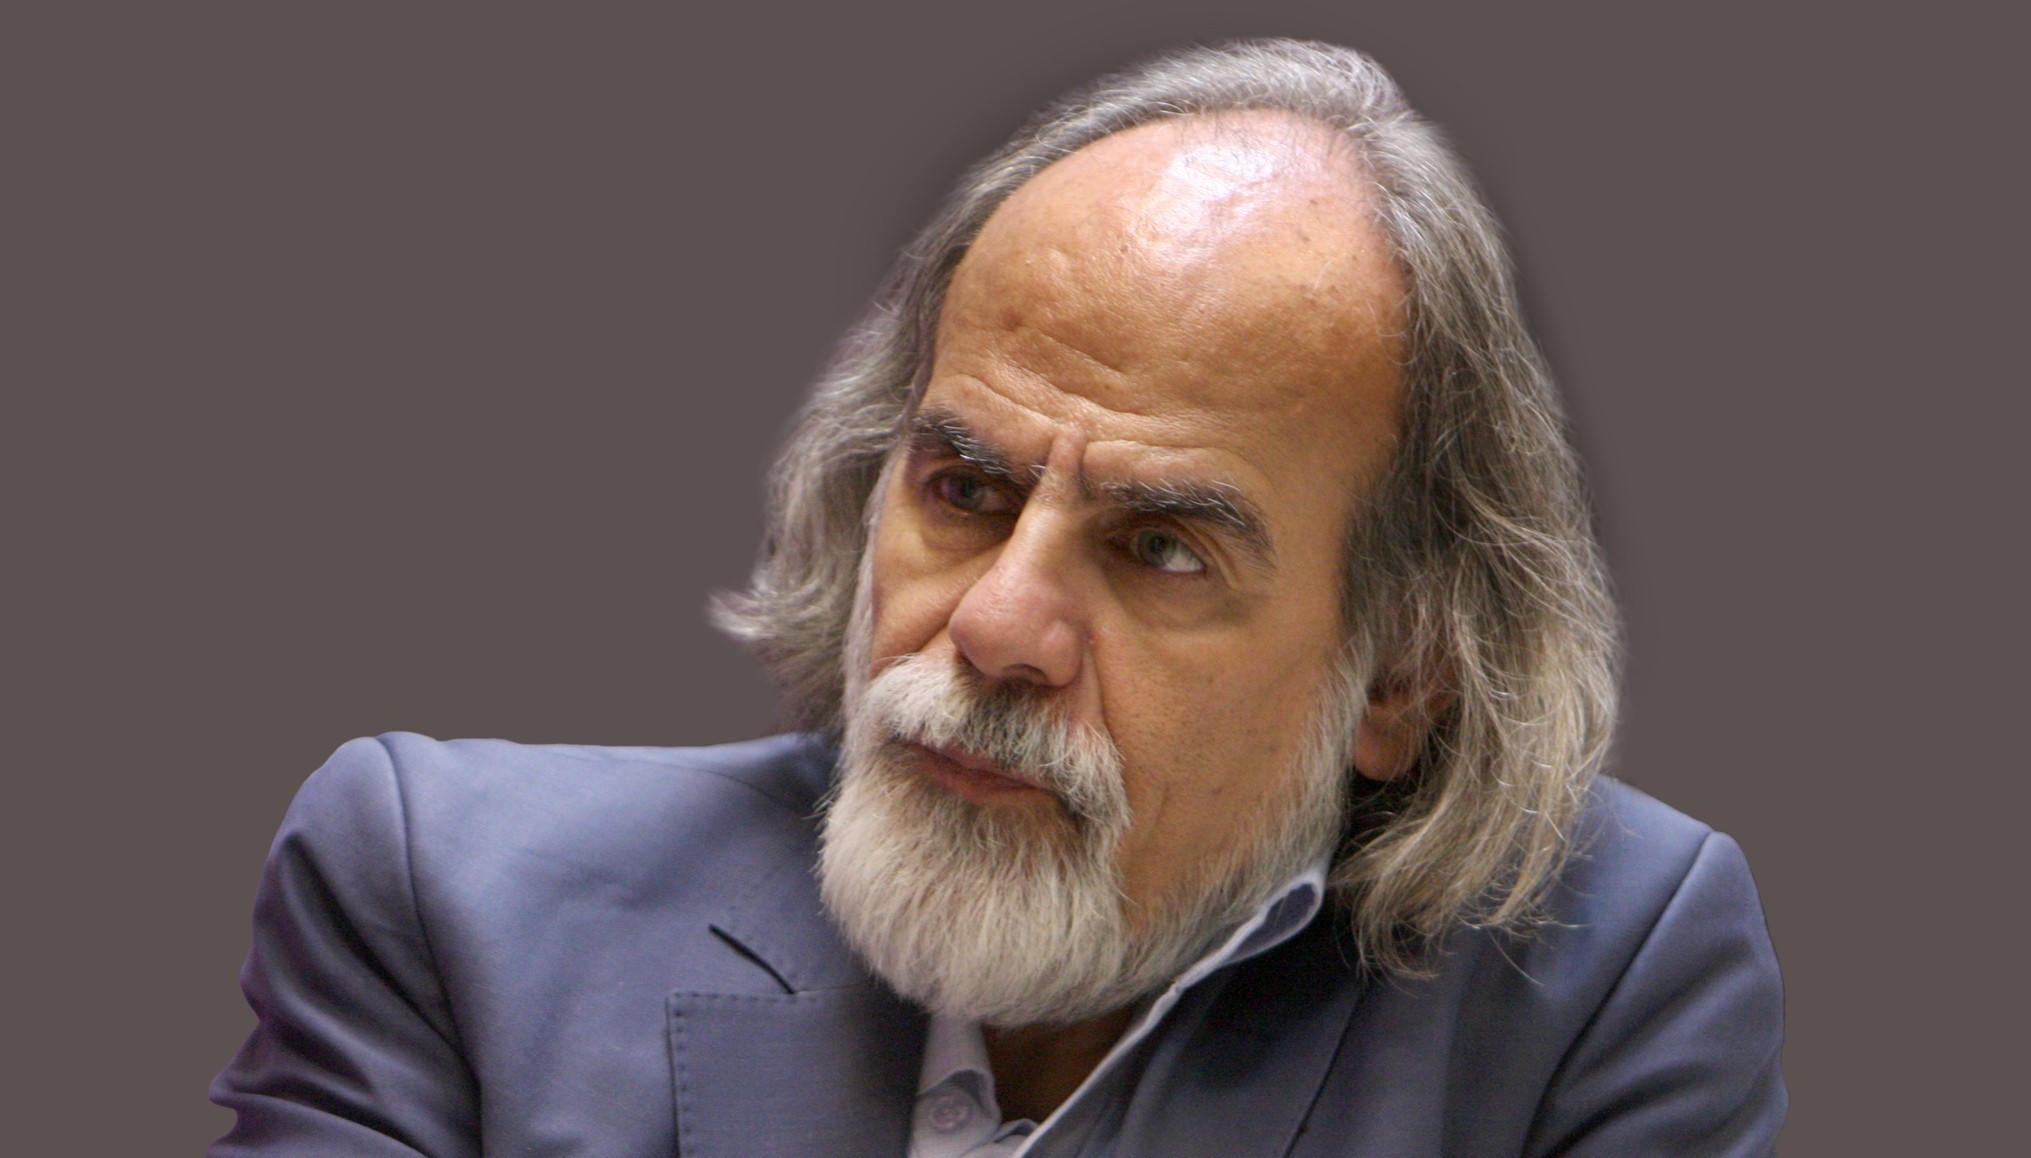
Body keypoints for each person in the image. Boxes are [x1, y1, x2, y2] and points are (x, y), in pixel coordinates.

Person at [211, 39, 1785, 1157]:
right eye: (963, 490)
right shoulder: (445, 904)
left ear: (1402, 677)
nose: (994, 629)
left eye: (1161, 549)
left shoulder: (1601, 989)